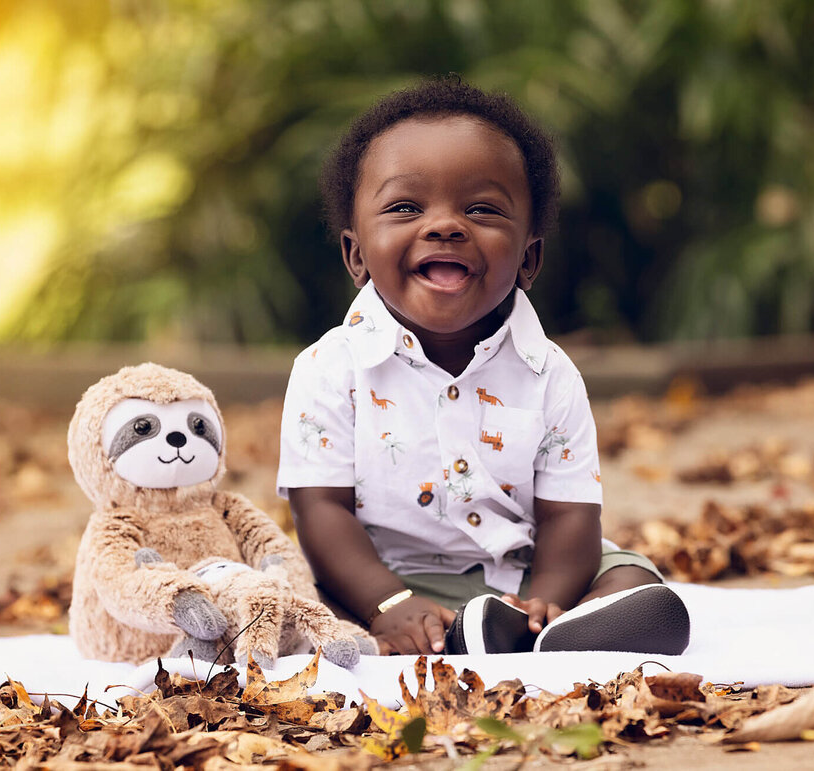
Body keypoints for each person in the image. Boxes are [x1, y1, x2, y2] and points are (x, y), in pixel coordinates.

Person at [277, 77, 689, 657]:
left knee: (630, 577)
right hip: (372, 579)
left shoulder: (549, 372)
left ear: (528, 258)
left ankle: (544, 629)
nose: (445, 225)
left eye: (481, 209)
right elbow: (320, 510)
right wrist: (387, 602)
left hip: (520, 573)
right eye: (404, 207)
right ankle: (431, 632)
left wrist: (546, 595)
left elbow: (570, 515)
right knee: (297, 596)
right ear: (356, 255)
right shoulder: (328, 368)